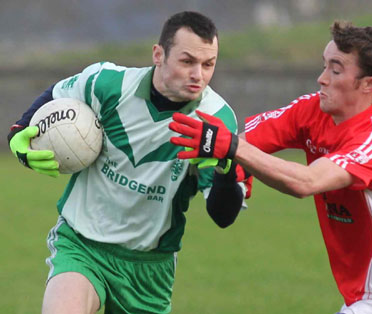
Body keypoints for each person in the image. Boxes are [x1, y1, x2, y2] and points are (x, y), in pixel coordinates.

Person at [168, 21, 372, 314]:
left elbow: (306, 182)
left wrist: (233, 148)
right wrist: (225, 165)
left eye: (335, 70)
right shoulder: (313, 110)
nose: (322, 78)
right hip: (364, 297)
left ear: (367, 84)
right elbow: (241, 142)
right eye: (324, 66)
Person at [7, 11, 251, 314]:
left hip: (149, 266)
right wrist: (17, 136)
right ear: (158, 54)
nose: (198, 75)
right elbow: (54, 95)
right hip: (82, 245)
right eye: (187, 61)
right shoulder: (108, 83)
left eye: (208, 64)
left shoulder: (216, 120)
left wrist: (225, 169)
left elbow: (222, 216)